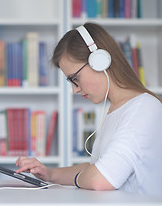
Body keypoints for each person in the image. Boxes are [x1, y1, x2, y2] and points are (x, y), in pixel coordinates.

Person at [15, 22, 162, 196]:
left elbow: (99, 179)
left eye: (75, 78)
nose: (75, 89)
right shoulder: (118, 108)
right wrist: (49, 174)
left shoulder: (144, 108)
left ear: (100, 61)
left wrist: (84, 178)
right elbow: (95, 169)